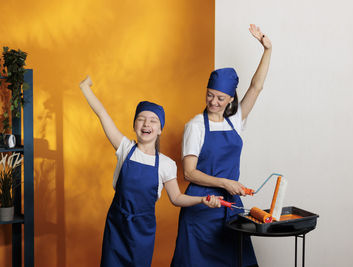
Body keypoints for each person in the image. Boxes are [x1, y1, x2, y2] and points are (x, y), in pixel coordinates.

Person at [79, 76, 221, 267]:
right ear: (134, 125)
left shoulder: (166, 164)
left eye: (153, 121)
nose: (147, 124)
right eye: (141, 119)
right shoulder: (124, 149)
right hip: (117, 225)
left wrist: (201, 200)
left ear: (160, 129)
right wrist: (85, 87)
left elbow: (177, 198)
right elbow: (102, 114)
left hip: (142, 231)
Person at [171, 24, 272, 267]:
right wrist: (225, 183)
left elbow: (256, 87)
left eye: (220, 98)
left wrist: (267, 49)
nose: (213, 102)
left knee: (240, 261)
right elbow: (189, 172)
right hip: (200, 210)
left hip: (231, 209)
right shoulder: (195, 126)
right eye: (209, 95)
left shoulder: (235, 122)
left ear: (230, 99)